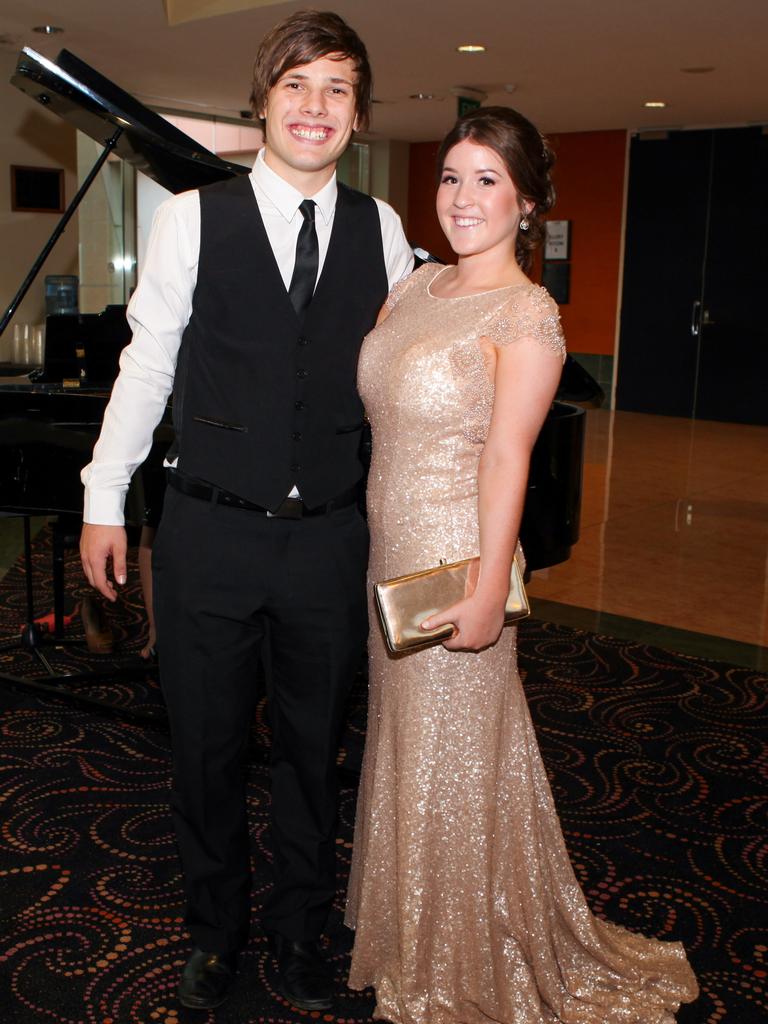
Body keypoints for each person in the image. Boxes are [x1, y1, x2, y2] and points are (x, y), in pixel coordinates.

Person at [79, 9, 413, 1013]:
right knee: (207, 751)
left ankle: (302, 934)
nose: (316, 107)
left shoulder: (383, 229)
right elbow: (148, 368)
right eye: (298, 85)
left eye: (338, 89)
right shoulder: (192, 216)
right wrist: (103, 496)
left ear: (358, 116)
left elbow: (406, 367)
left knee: (315, 754)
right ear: (262, 100)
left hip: (329, 544)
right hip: (210, 534)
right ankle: (215, 930)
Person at [345, 106, 698, 1023]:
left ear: (527, 202)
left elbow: (508, 459)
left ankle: (458, 958)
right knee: (412, 752)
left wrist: (486, 594)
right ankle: (414, 933)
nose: (463, 198)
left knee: (453, 758)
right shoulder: (415, 287)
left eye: (487, 181)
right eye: (452, 177)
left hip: (454, 560)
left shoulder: (528, 315)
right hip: (387, 549)